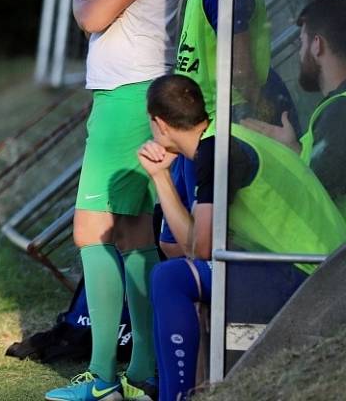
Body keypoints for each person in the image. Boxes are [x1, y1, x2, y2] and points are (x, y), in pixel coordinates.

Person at [45, 0, 186, 401]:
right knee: (131, 236)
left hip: (129, 100)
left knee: (91, 230)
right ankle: (143, 373)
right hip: (128, 98)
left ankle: (104, 377)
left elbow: (97, 15)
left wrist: (84, 0)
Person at [138, 74, 346, 401]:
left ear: (159, 124)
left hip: (314, 277)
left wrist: (161, 179)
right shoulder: (226, 135)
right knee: (183, 274)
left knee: (169, 277)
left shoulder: (215, 151)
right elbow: (194, 243)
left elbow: (199, 248)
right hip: (326, 268)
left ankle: (173, 397)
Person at [160, 0, 299, 258]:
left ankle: (212, 314)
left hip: (220, 123)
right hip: (197, 122)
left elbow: (240, 67)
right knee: (174, 240)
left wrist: (249, 113)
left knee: (198, 242)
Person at [243, 0, 346, 215]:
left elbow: (317, 199)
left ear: (317, 45)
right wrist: (294, 150)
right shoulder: (335, 108)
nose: (300, 53)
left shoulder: (339, 113)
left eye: (302, 43)